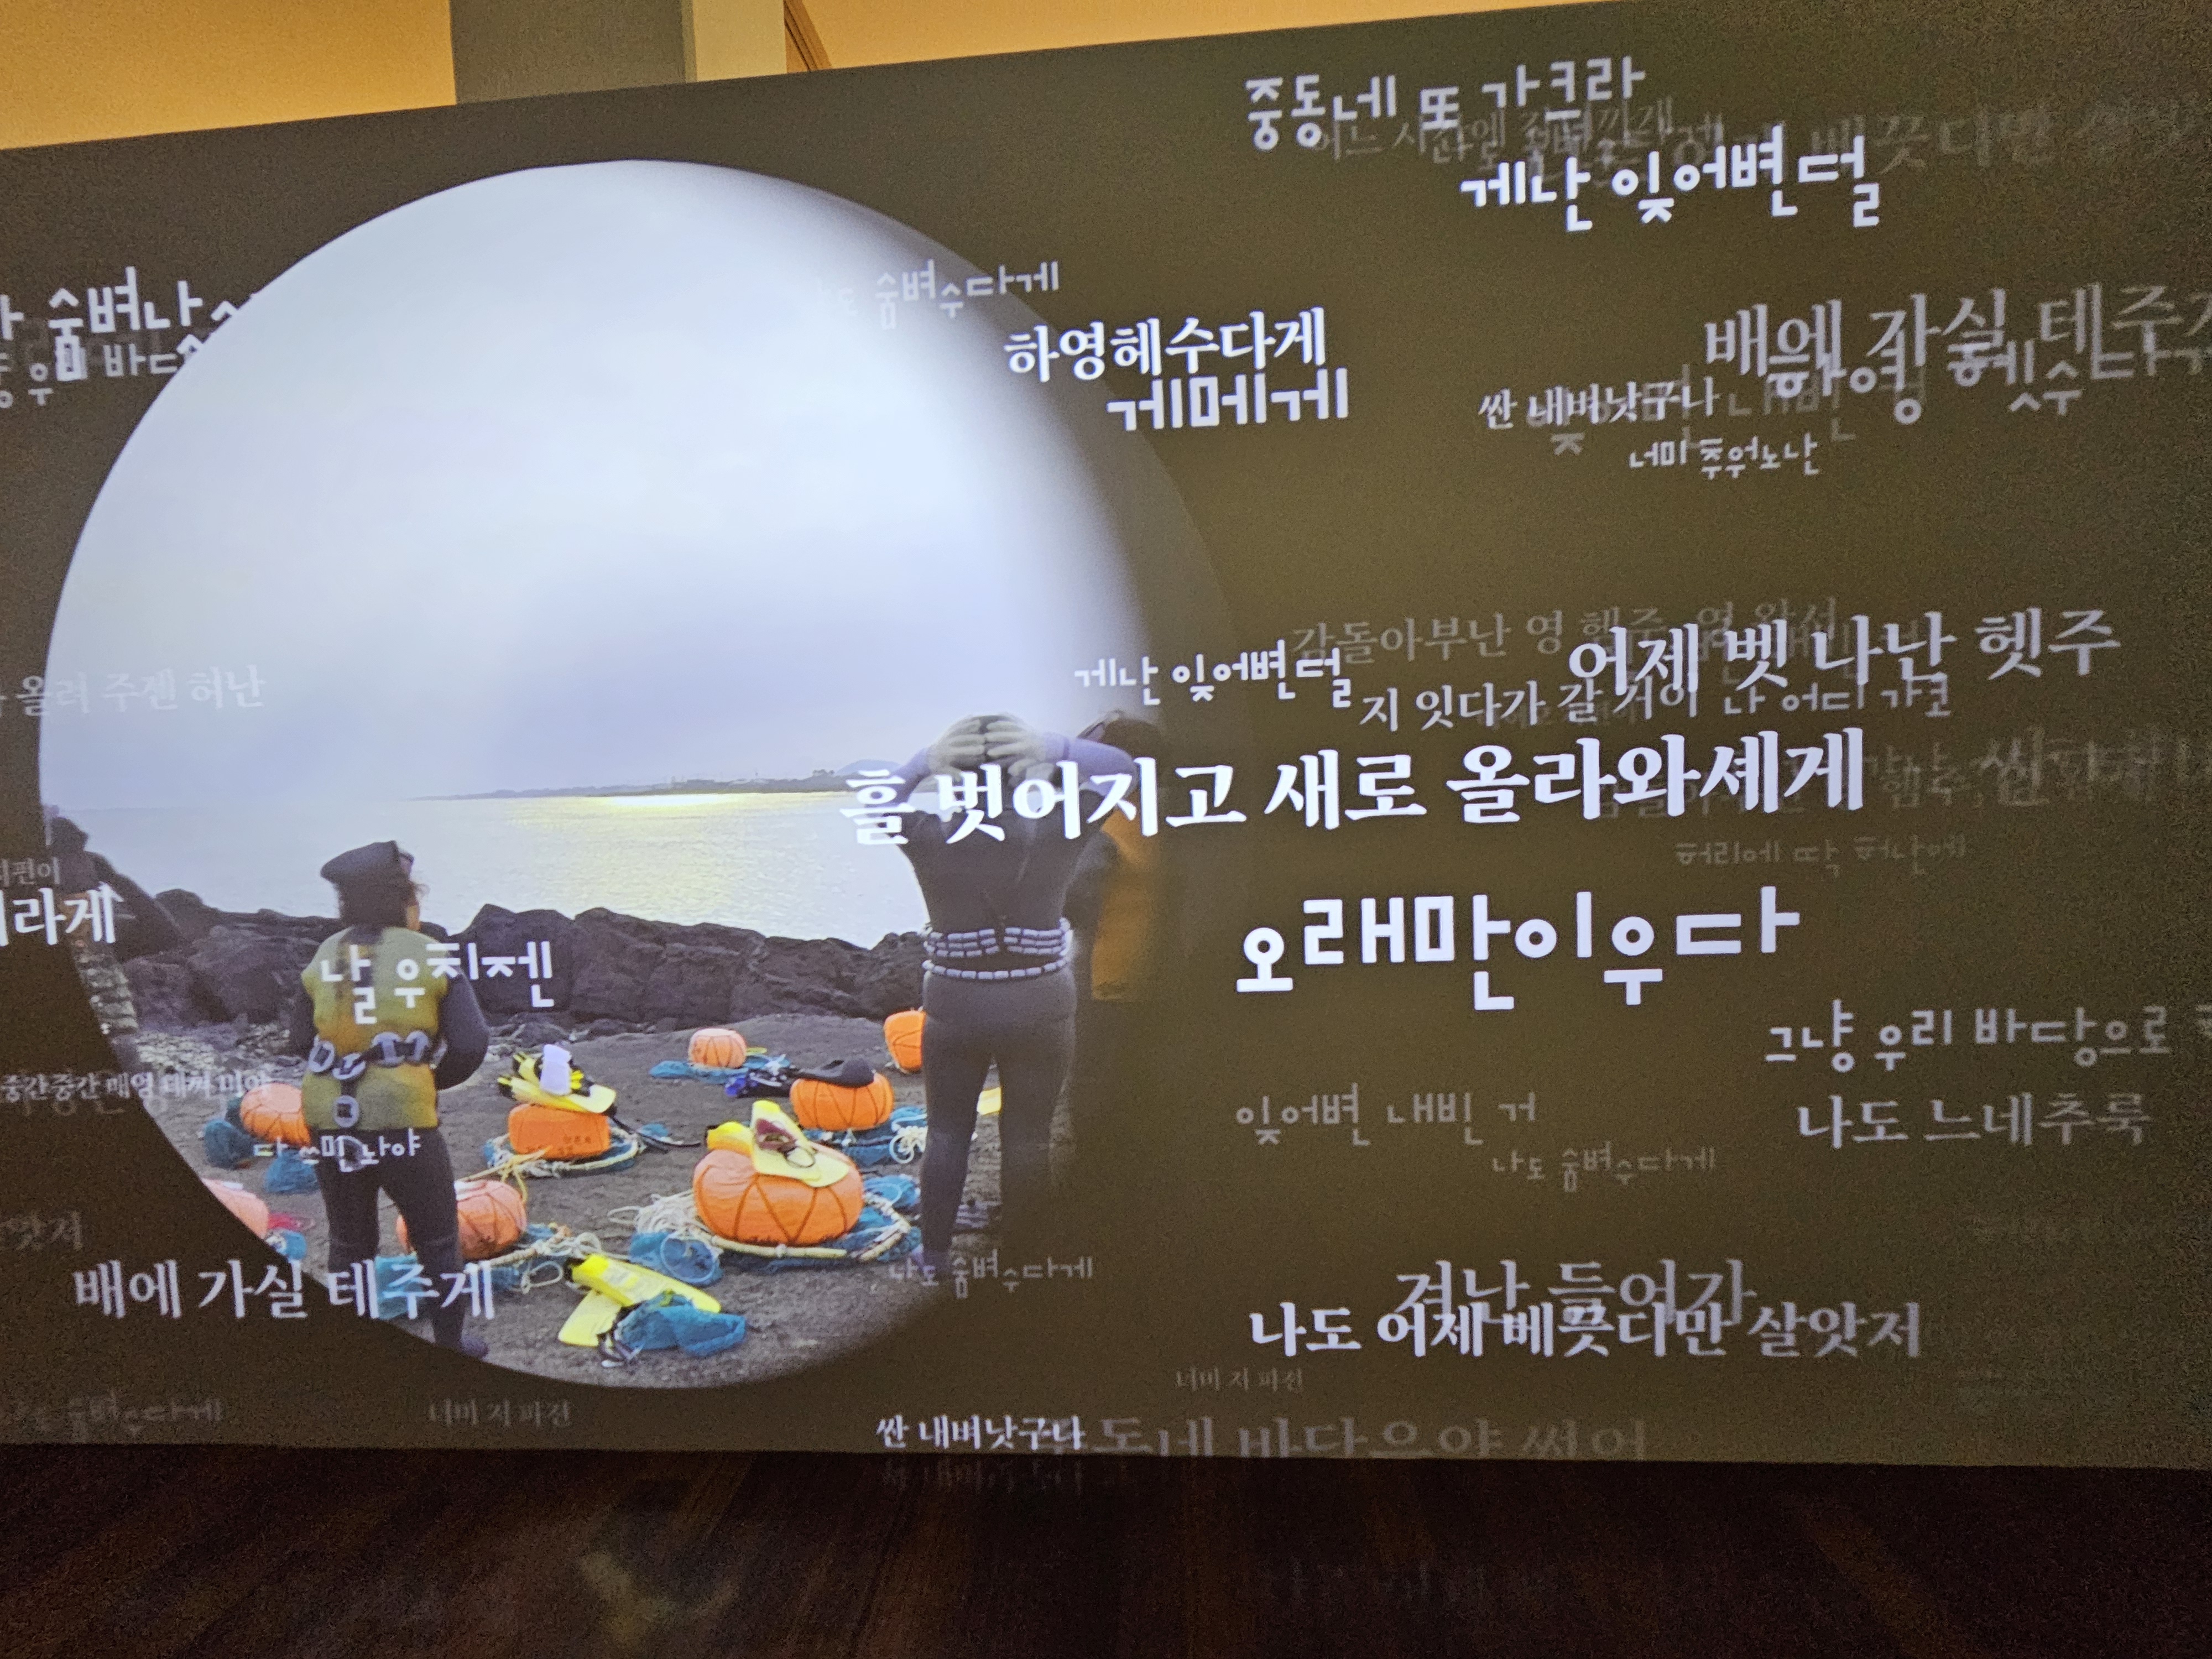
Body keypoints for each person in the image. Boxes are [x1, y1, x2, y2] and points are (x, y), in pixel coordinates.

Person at [888, 714, 1134, 1274]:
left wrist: (927, 760)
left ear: (952, 779)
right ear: (1022, 775)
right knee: (1030, 1141)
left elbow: (880, 795)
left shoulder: (926, 837)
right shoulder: (1059, 829)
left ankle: (934, 1256)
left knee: (947, 1134)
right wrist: (1051, 747)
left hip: (955, 1003)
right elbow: (1124, 770)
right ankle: (1024, 1258)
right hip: (1042, 1003)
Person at [288, 841, 491, 1355]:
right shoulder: (430, 954)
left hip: (326, 1114)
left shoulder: (324, 954)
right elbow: (471, 1044)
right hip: (403, 1120)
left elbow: (299, 1040)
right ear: (405, 900)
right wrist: (425, 1082)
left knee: (350, 1240)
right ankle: (450, 1344)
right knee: (437, 1238)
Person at [1062, 717, 1170, 1149]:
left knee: (1093, 1077)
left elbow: (1074, 898)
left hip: (1106, 973)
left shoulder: (1108, 823)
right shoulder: (1182, 816)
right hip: (1167, 971)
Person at [45, 812, 184, 1072]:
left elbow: (166, 936)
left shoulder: (103, 929)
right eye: (66, 856)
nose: (78, 863)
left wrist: (116, 880)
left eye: (78, 854)